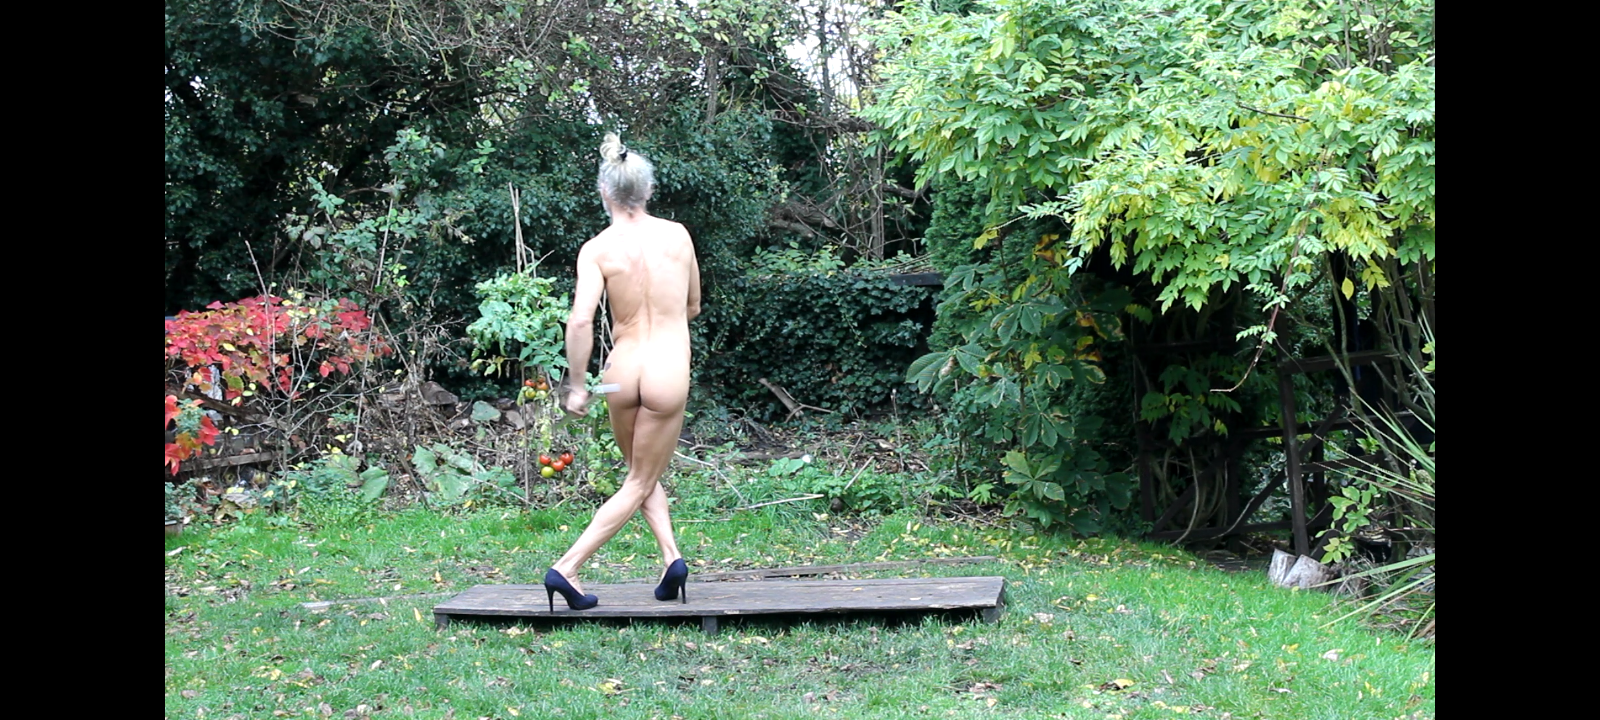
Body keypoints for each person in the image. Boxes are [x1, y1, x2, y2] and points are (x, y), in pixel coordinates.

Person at [543, 133, 702, 611]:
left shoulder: (596, 249)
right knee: (639, 479)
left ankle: (672, 560)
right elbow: (693, 305)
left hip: (621, 368)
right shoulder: (678, 236)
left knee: (639, 470)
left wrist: (577, 385)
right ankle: (567, 568)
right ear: (648, 190)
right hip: (666, 368)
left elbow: (580, 321)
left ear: (604, 192)